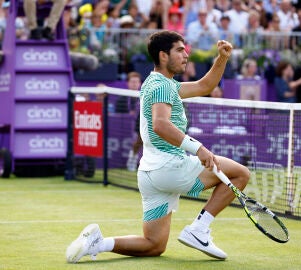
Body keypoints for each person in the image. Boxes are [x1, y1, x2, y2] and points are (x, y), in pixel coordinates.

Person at [66, 30, 250, 263]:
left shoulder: (162, 84)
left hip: (150, 174)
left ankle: (99, 243)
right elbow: (160, 125)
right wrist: (198, 148)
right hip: (170, 167)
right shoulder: (162, 86)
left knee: (154, 245)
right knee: (240, 174)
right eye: (180, 50)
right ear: (163, 56)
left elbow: (205, 85)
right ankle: (199, 229)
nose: (186, 55)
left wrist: (222, 58)